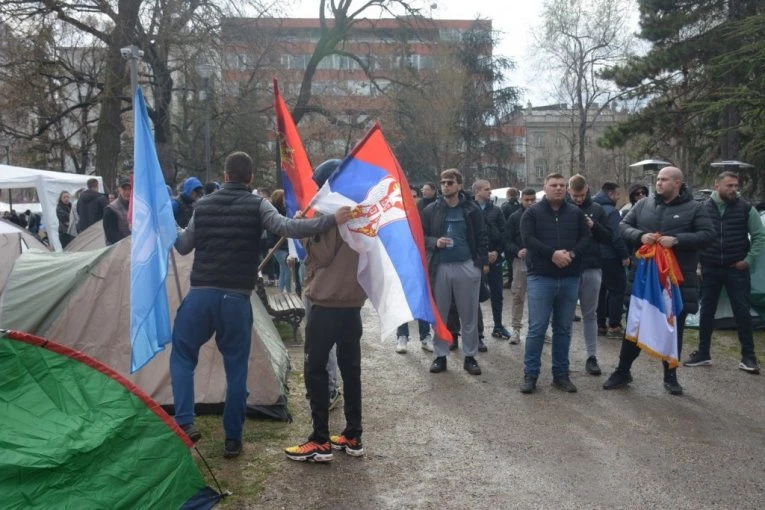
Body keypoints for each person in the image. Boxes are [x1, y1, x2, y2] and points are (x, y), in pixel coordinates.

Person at [171, 152, 352, 459]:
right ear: (250, 178)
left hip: (200, 294)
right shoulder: (258, 204)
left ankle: (185, 422)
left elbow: (184, 245)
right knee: (236, 368)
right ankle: (232, 439)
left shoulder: (201, 206)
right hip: (236, 299)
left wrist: (165, 227)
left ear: (225, 175)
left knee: (182, 356)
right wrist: (332, 220)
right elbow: (288, 228)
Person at [603, 166, 714, 395]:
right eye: (658, 179)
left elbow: (708, 235)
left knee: (673, 330)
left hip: (676, 282)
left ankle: (670, 376)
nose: (659, 183)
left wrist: (677, 240)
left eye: (664, 179)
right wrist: (639, 236)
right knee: (635, 325)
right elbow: (623, 226)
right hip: (643, 280)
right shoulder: (644, 204)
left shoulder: (695, 208)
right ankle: (623, 371)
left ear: (677, 183)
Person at [284, 159, 366, 463]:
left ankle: (319, 440)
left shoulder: (327, 213)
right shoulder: (359, 211)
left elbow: (323, 254)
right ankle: (353, 434)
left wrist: (302, 228)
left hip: (326, 301)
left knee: (315, 368)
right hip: (352, 302)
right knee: (351, 369)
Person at [684, 171, 764, 374]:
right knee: (707, 311)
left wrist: (748, 261)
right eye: (729, 186)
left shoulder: (746, 208)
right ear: (716, 185)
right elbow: (694, 238)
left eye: (736, 186)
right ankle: (703, 353)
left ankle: (748, 357)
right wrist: (698, 265)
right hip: (709, 268)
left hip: (736, 268)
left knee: (742, 312)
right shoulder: (701, 208)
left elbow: (759, 236)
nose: (734, 190)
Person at [519, 173, 591, 394]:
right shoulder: (532, 213)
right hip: (541, 277)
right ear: (545, 187)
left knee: (564, 328)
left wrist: (571, 254)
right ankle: (530, 374)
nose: (558, 188)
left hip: (569, 277)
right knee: (537, 328)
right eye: (554, 185)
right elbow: (528, 239)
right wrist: (552, 254)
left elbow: (586, 238)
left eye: (562, 185)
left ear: (567, 189)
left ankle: (561, 375)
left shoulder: (576, 213)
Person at [421, 169, 488, 376]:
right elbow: (422, 237)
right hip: (440, 267)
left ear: (459, 185)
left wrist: (479, 264)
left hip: (466, 266)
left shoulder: (472, 209)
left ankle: (470, 356)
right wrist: (435, 242)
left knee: (468, 314)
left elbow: (482, 236)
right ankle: (440, 356)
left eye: (450, 182)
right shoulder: (431, 210)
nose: (446, 186)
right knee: (440, 314)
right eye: (443, 182)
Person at [567, 175, 612, 376]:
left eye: (581, 195)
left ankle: (591, 356)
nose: (578, 199)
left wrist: (593, 225)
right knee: (565, 315)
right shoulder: (562, 208)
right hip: (568, 268)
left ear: (587, 190)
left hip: (592, 267)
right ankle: (563, 356)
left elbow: (608, 237)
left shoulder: (597, 209)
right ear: (569, 191)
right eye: (575, 195)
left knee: (590, 314)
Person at [473, 179, 512, 340]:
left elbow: (504, 233)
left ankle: (498, 325)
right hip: (475, 260)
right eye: (487, 189)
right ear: (477, 191)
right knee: (474, 295)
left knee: (497, 293)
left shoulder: (496, 210)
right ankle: (476, 330)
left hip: (494, 258)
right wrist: (481, 256)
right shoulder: (469, 209)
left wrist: (496, 251)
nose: (490, 192)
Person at [593, 181, 631, 338]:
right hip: (610, 256)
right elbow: (615, 236)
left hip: (596, 255)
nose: (619, 197)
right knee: (617, 290)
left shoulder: (594, 208)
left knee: (601, 291)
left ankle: (600, 325)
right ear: (610, 194)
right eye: (617, 194)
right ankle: (615, 325)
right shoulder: (612, 211)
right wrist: (624, 255)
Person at [504, 188, 536, 342]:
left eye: (532, 200)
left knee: (539, 297)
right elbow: (507, 240)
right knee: (518, 295)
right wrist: (517, 251)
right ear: (521, 199)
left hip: (539, 261)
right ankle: (516, 329)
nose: (529, 203)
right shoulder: (514, 217)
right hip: (520, 261)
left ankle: (538, 330)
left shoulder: (541, 215)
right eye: (527, 200)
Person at [268, 189, 293, 293]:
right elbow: (270, 230)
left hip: (285, 245)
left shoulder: (286, 211)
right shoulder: (273, 213)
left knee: (283, 270)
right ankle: (288, 292)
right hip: (277, 246)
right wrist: (270, 246)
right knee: (287, 270)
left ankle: (280, 292)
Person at [103, 178, 132, 245]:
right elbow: (111, 236)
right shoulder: (111, 209)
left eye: (130, 189)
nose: (128, 192)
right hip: (117, 249)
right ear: (119, 190)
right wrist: (129, 243)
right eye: (124, 189)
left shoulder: (136, 206)